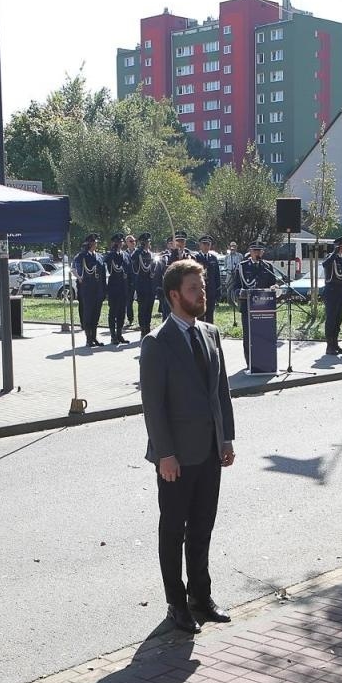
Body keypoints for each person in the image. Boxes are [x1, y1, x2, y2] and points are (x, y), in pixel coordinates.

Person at [139, 258, 236, 635]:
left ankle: (201, 596)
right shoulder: (157, 343)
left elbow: (221, 394)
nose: (203, 294)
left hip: (210, 451)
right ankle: (176, 603)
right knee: (173, 530)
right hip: (175, 457)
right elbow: (154, 405)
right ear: (174, 295)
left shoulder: (210, 334)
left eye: (204, 287)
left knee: (202, 528)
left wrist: (226, 438)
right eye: (195, 289)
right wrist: (165, 454)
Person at [237, 241, 279, 366]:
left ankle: (263, 362)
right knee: (249, 337)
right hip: (248, 307)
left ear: (263, 252)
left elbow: (273, 283)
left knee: (263, 335)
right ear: (250, 251)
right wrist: (241, 293)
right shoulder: (242, 266)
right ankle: (250, 363)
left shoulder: (267, 266)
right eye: (254, 250)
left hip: (265, 308)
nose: (257, 252)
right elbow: (235, 287)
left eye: (259, 250)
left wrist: (274, 287)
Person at [73, 234, 107, 348]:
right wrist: (79, 277)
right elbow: (73, 269)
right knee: (88, 314)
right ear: (89, 244)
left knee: (96, 315)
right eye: (94, 243)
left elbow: (102, 274)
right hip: (87, 290)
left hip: (98, 289)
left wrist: (104, 290)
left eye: (96, 242)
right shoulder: (81, 256)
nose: (96, 244)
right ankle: (88, 339)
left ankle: (94, 337)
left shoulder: (99, 257)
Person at [321, 237, 342, 355]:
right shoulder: (331, 257)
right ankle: (329, 346)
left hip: (341, 292)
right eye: (341, 246)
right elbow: (325, 264)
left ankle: (335, 343)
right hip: (332, 292)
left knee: (338, 320)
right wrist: (334, 253)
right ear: (336, 246)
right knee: (331, 320)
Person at [105, 234, 133, 344]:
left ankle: (119, 334)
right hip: (113, 287)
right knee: (113, 312)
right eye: (118, 242)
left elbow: (129, 270)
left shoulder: (125, 255)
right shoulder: (110, 255)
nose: (120, 244)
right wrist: (113, 252)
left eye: (121, 242)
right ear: (114, 243)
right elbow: (107, 267)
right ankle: (113, 336)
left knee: (122, 312)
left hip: (123, 287)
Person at [132, 233, 161, 337]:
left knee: (149, 308)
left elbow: (155, 268)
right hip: (141, 286)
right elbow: (134, 264)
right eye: (146, 242)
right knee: (142, 308)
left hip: (151, 286)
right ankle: (143, 329)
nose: (149, 244)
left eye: (149, 242)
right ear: (143, 243)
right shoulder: (138, 254)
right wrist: (140, 249)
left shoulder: (152, 255)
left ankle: (147, 327)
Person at [194, 235, 223, 324]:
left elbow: (217, 276)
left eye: (208, 244)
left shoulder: (213, 258)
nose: (206, 246)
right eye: (204, 244)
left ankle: (209, 334)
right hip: (199, 290)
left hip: (211, 291)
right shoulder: (196, 257)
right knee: (200, 314)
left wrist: (218, 291)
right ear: (200, 245)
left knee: (210, 314)